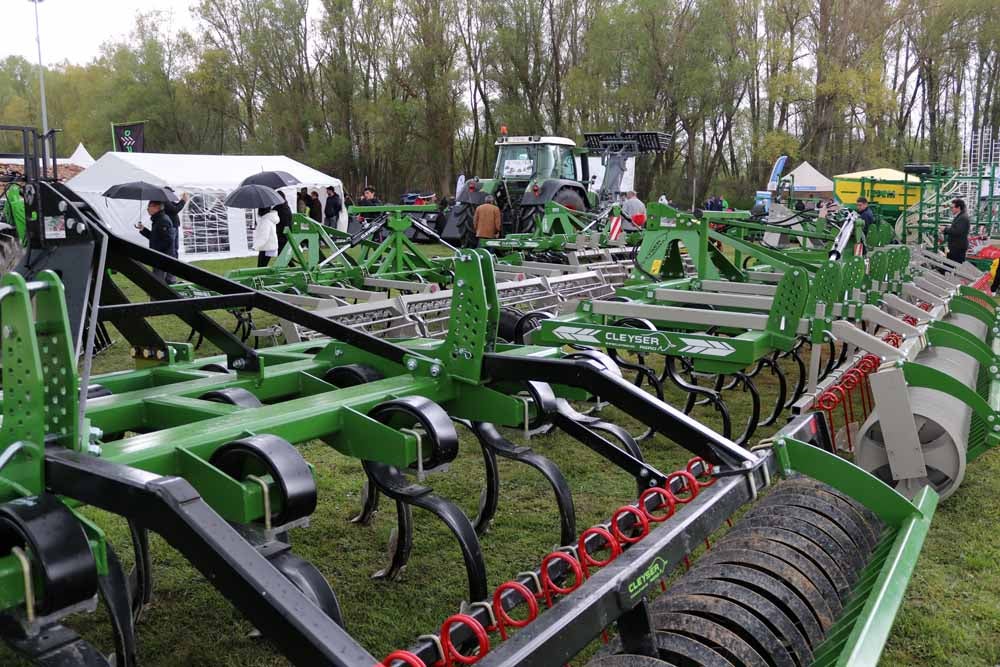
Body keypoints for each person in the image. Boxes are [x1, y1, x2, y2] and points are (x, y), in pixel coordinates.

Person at [135, 201, 176, 283]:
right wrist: (143, 229)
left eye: (149, 206)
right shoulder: (157, 219)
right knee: (161, 281)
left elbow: (168, 240)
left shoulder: (163, 220)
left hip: (163, 257)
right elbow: (154, 238)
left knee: (158, 282)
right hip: (160, 256)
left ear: (156, 207)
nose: (147, 208)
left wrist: (157, 251)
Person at [162, 187, 189, 258]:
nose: (172, 194)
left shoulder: (168, 201)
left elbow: (176, 206)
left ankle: (175, 261)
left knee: (175, 247)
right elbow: (175, 210)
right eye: (171, 192)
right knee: (173, 247)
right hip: (171, 226)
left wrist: (182, 200)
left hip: (174, 226)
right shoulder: (165, 201)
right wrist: (183, 200)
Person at [942, 198, 970, 264]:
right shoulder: (960, 216)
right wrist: (945, 230)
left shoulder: (963, 218)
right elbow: (956, 228)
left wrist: (945, 229)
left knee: (953, 265)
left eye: (952, 207)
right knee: (951, 264)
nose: (951, 209)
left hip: (957, 247)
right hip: (956, 246)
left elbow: (957, 231)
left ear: (958, 208)